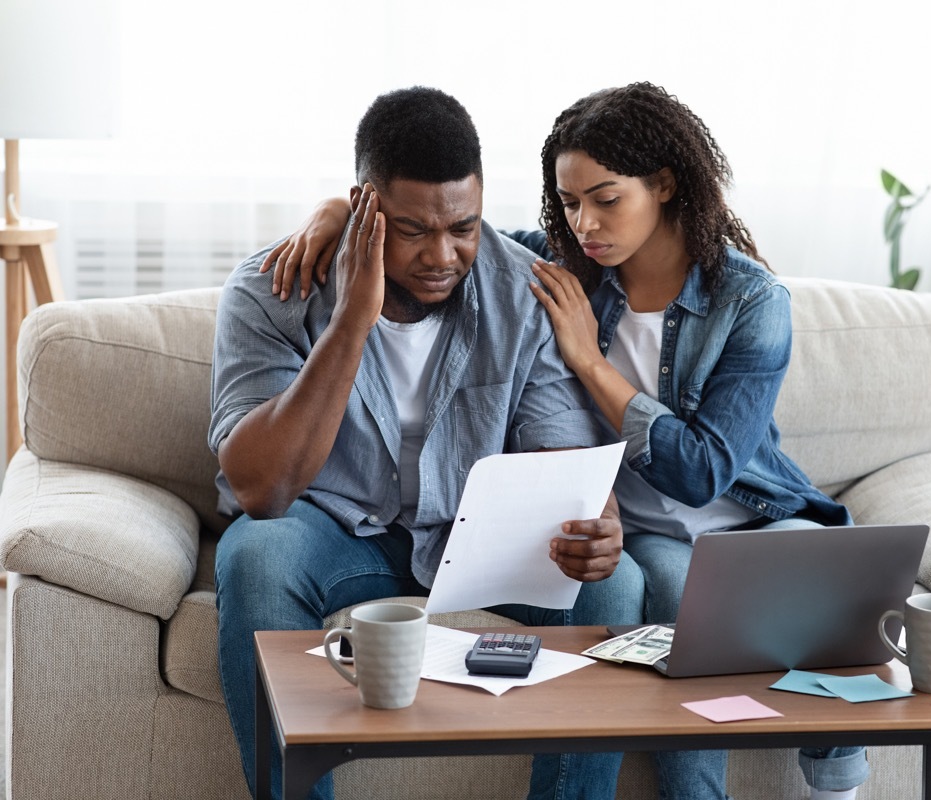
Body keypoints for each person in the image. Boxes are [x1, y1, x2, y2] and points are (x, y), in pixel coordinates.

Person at [269, 83, 865, 800]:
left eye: (606, 199)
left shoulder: (751, 301)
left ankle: (837, 783)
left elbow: (703, 472)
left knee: (833, 587)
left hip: (748, 511)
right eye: (570, 201)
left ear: (666, 185)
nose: (586, 223)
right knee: (672, 583)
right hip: (642, 532)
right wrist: (341, 211)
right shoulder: (565, 270)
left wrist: (590, 362)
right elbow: (451, 238)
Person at [209, 86, 644, 800]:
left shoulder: (521, 291)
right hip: (337, 539)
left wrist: (597, 520)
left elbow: (561, 460)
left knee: (619, 582)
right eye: (413, 230)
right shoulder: (273, 289)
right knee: (256, 556)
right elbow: (262, 488)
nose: (443, 255)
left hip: (480, 545)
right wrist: (354, 316)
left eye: (463, 227)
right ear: (363, 206)